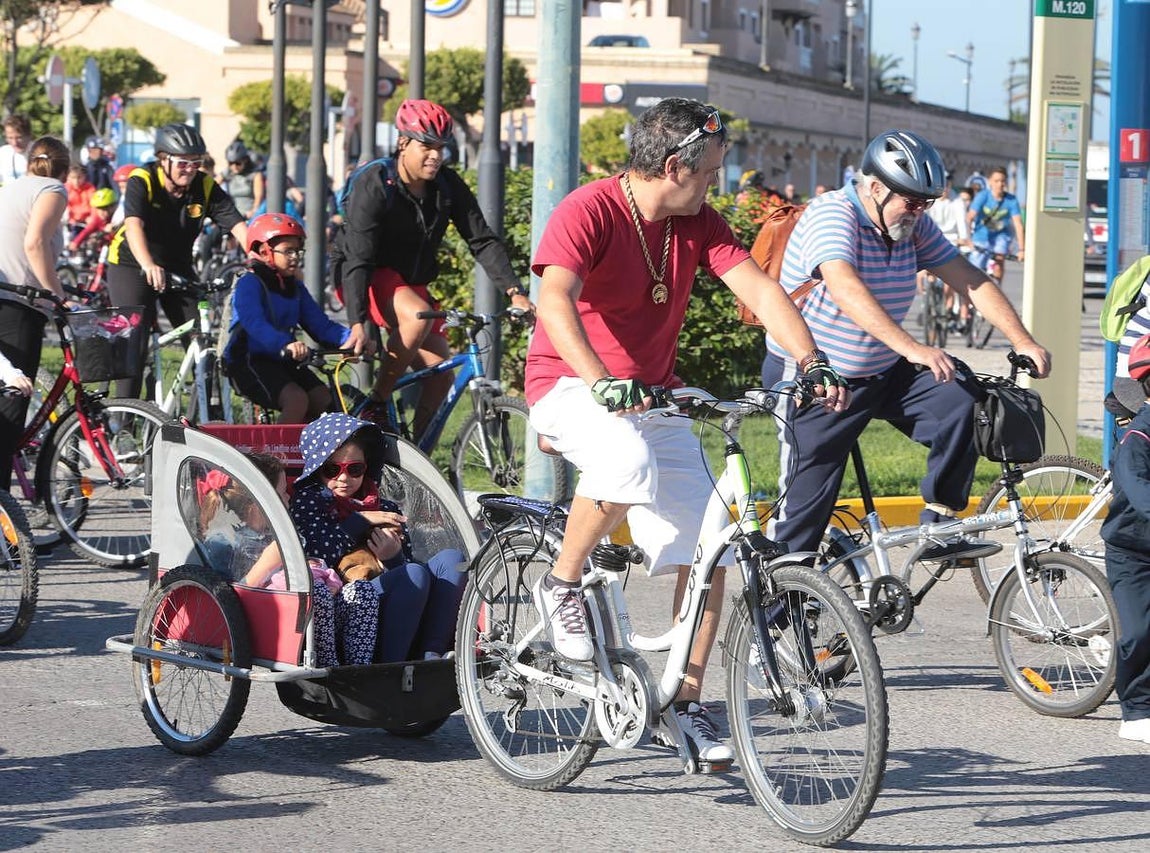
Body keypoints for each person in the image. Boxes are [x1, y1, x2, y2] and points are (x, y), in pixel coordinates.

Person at [524, 98, 848, 766]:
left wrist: (811, 359)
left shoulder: (696, 221)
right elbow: (553, 297)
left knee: (715, 544)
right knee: (627, 458)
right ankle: (560, 582)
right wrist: (599, 379)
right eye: (710, 172)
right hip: (568, 384)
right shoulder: (589, 208)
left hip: (650, 397)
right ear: (676, 165)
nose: (717, 185)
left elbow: (758, 290)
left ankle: (686, 703)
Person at [761, 129, 1050, 561]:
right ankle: (775, 609)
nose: (919, 211)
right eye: (911, 201)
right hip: (820, 380)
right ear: (874, 187)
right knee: (803, 515)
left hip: (883, 370)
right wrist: (913, 347)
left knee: (963, 399)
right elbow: (843, 285)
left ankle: (940, 521)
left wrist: (1022, 338)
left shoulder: (911, 226)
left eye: (926, 202)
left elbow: (968, 278)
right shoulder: (832, 215)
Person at [338, 98, 532, 433]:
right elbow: (358, 258)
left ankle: (418, 460)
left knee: (441, 377)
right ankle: (378, 403)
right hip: (366, 274)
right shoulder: (375, 185)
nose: (435, 156)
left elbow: (481, 239)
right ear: (403, 143)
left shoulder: (446, 185)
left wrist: (515, 292)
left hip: (410, 284)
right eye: (427, 146)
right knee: (416, 317)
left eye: (441, 148)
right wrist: (358, 322)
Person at [289, 413, 468, 661]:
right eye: (332, 469)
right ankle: (391, 667)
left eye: (355, 469)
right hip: (346, 603)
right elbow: (319, 556)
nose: (343, 478)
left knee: (452, 559)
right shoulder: (308, 501)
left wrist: (393, 557)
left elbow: (404, 567)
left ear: (367, 467)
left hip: (393, 601)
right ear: (317, 469)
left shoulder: (384, 506)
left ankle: (432, 653)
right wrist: (361, 520)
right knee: (413, 574)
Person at [106, 123, 247, 399]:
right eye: (182, 163)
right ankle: (121, 424)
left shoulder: (204, 186)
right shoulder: (143, 178)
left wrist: (261, 255)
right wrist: (147, 264)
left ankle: (209, 412)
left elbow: (238, 225)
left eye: (196, 163)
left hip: (177, 265)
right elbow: (133, 225)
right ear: (163, 159)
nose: (190, 169)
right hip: (132, 263)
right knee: (133, 340)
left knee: (201, 338)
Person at [222, 212, 351, 423]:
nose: (295, 257)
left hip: (282, 360)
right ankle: (274, 455)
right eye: (288, 251)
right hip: (248, 360)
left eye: (298, 251)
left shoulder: (295, 287)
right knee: (296, 400)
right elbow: (254, 324)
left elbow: (320, 325)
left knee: (322, 398)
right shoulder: (250, 283)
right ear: (264, 252)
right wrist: (287, 343)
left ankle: (306, 451)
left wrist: (351, 339)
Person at [0, 136, 72, 489]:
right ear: (66, 169)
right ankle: (4, 520)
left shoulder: (13, 188)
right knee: (11, 411)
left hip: (6, 297)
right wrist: (58, 296)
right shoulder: (53, 189)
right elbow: (34, 244)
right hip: (16, 306)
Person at [1101, 333, 1150, 745]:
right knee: (1139, 632)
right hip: (1133, 552)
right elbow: (1138, 490)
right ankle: (1136, 709)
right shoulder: (1138, 439)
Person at [918, 171, 971, 327]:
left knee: (949, 275)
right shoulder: (929, 200)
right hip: (932, 238)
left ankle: (947, 308)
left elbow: (962, 222)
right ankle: (928, 302)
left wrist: (964, 238)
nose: (945, 190)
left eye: (947, 185)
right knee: (927, 272)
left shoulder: (957, 202)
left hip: (952, 240)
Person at [967, 166, 1025, 279]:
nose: (1000, 184)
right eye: (996, 181)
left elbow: (1018, 225)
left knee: (999, 262)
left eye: (1003, 181)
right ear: (990, 182)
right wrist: (968, 239)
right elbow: (969, 217)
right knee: (974, 271)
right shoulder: (983, 196)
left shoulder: (1011, 200)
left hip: (1001, 236)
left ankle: (997, 287)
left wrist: (1022, 250)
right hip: (981, 237)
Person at [221, 139, 264, 219]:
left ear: (245, 160)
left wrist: (253, 212)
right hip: (231, 216)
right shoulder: (228, 173)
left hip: (249, 216)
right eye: (230, 163)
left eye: (238, 163)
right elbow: (212, 183)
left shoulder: (255, 175)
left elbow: (259, 198)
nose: (234, 167)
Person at [67, 186, 118, 252]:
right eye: (98, 208)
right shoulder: (98, 219)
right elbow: (87, 230)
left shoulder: (118, 218)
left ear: (114, 206)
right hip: (104, 250)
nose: (101, 212)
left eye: (105, 208)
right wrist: (76, 242)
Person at [64, 164, 96, 241]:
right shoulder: (65, 188)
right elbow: (64, 206)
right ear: (68, 177)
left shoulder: (90, 188)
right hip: (70, 222)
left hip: (86, 221)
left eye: (79, 177)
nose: (76, 181)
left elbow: (94, 206)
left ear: (84, 177)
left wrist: (92, 218)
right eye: (73, 178)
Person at [0, 114, 31, 185]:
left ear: (29, 135)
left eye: (19, 138)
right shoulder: (3, 153)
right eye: (10, 138)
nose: (14, 143)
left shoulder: (39, 152)